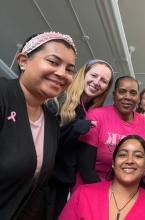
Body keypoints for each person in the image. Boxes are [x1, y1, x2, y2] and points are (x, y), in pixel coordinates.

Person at [0, 31, 77, 220]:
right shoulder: (3, 95)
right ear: (23, 60)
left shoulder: (50, 122)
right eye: (53, 61)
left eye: (69, 69)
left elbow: (31, 188)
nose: (62, 73)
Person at [49, 59, 114, 218]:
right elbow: (44, 139)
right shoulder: (58, 98)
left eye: (104, 81)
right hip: (44, 179)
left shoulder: (92, 111)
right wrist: (74, 128)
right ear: (83, 74)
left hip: (63, 182)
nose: (97, 82)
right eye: (94, 75)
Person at [59, 135, 145, 220]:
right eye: (122, 155)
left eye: (138, 156)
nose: (129, 161)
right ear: (113, 163)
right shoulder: (83, 195)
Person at [75, 76, 145, 190]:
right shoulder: (96, 116)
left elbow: (142, 164)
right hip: (91, 186)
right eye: (122, 92)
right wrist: (108, 194)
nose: (127, 97)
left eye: (133, 93)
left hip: (126, 189)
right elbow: (86, 167)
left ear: (138, 98)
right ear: (114, 95)